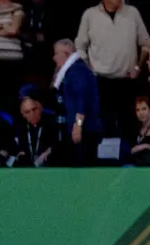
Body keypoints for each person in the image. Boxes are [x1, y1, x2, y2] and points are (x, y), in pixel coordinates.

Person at [76, 0, 150, 137]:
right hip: (100, 81)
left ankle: (129, 154)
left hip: (127, 79)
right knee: (104, 123)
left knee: (129, 123)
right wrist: (89, 67)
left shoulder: (132, 12)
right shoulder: (90, 15)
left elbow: (145, 42)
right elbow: (80, 46)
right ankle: (106, 156)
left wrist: (138, 67)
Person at [52, 37, 103, 165]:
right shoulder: (73, 70)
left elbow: (81, 100)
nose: (54, 58)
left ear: (67, 53)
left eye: (56, 53)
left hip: (84, 130)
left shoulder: (77, 71)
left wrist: (78, 125)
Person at [12, 92, 59, 166]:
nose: (32, 114)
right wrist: (19, 153)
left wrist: (49, 151)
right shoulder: (20, 126)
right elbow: (16, 148)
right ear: (23, 114)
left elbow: (57, 145)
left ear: (40, 107)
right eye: (27, 112)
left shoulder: (51, 122)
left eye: (34, 109)